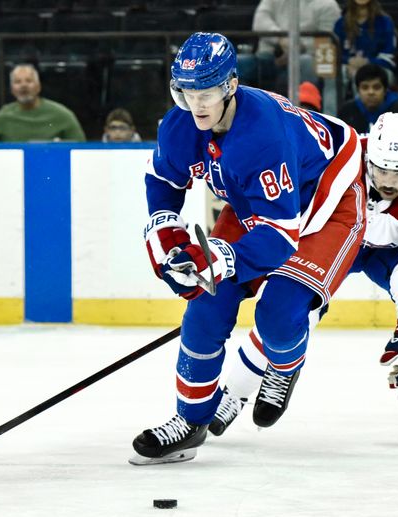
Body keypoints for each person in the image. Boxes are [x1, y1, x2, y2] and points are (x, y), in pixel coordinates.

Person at [131, 32, 366, 465]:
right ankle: (189, 421)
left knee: (280, 311)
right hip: (254, 200)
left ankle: (283, 364)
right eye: (185, 92)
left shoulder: (263, 137)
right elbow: (163, 181)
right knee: (206, 303)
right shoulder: (181, 124)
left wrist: (218, 257)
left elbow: (279, 237)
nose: (196, 104)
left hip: (327, 194)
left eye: (206, 93)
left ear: (230, 86)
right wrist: (168, 240)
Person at [210, 113, 398, 446]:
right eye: (381, 170)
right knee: (288, 311)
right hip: (336, 237)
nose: (390, 181)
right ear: (367, 158)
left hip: (386, 254)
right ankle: (235, 392)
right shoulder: (342, 158)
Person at [249, 0, 341, 112]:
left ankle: (305, 116)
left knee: (305, 62)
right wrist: (281, 40)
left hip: (305, 59)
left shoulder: (328, 4)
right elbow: (259, 23)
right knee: (239, 64)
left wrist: (294, 49)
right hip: (269, 57)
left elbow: (326, 43)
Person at [0, 64, 86, 142]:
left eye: (29, 81)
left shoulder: (63, 115)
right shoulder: (1, 118)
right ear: (12, 89)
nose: (23, 85)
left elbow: (80, 150)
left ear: (38, 87)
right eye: (18, 82)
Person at [337, 63, 398, 135]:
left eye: (376, 87)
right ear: (358, 90)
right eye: (365, 87)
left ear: (385, 90)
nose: (371, 92)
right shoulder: (346, 112)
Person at [333, 0, 397, 92]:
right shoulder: (340, 23)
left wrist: (366, 62)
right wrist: (348, 61)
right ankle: (332, 107)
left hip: (377, 68)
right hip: (347, 66)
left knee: (362, 75)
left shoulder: (385, 22)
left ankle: (364, 106)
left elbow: (389, 57)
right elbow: (334, 54)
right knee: (333, 76)